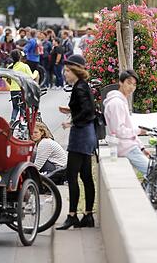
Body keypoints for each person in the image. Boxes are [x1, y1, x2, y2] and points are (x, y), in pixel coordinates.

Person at [57, 55, 97, 230]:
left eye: (67, 71)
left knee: (72, 176)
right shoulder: (82, 86)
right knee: (86, 176)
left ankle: (72, 215)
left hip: (80, 134)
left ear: (76, 71)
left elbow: (88, 111)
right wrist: (71, 110)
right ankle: (88, 215)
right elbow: (87, 107)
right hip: (87, 134)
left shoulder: (79, 87)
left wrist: (71, 121)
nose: (65, 74)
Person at [104, 70, 149, 173]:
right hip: (126, 147)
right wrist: (139, 131)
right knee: (152, 172)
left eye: (134, 84)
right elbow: (119, 131)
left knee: (151, 175)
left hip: (129, 146)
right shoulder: (117, 103)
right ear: (120, 82)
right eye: (129, 83)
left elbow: (127, 127)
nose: (131, 87)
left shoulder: (121, 101)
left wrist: (141, 147)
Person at [6, 50, 35, 122]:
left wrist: (12, 84)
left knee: (15, 108)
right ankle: (21, 124)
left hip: (13, 90)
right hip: (22, 90)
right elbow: (31, 77)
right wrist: (36, 73)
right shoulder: (25, 66)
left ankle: (12, 121)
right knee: (23, 108)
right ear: (20, 57)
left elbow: (7, 78)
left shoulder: (10, 67)